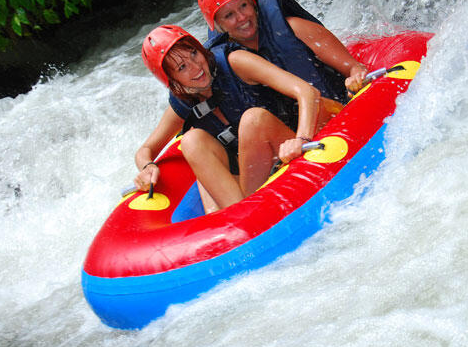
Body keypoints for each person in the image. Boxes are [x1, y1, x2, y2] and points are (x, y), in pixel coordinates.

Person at [133, 24, 338, 214]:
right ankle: (240, 217)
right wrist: (147, 168)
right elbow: (145, 151)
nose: (196, 67)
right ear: (172, 81)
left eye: (194, 54)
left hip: (290, 148)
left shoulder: (235, 61)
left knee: (253, 120)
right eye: (182, 68)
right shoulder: (183, 102)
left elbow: (307, 92)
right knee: (191, 140)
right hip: (254, 176)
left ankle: (242, 213)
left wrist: (301, 139)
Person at [197, 0, 368, 128]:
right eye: (229, 15)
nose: (242, 17)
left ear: (253, 3)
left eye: (243, 6)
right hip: (289, 136)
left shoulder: (294, 29)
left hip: (333, 112)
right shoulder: (228, 62)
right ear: (218, 27)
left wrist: (355, 79)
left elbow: (354, 67)